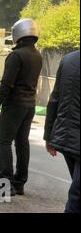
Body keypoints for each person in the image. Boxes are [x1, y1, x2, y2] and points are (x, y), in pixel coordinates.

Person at [0, 19, 42, 199]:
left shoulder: (16, 56)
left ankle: (5, 187)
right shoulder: (38, 55)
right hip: (30, 106)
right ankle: (19, 184)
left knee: (3, 143)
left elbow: (7, 83)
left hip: (14, 106)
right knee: (22, 143)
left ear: (18, 34)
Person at [44, 50, 80, 213]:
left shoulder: (68, 59)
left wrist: (49, 135)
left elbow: (54, 99)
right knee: (77, 197)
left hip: (65, 137)